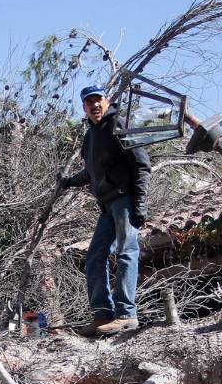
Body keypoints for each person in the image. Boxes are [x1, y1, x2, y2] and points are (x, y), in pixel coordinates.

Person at [59, 84, 152, 335]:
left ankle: (126, 314)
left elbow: (142, 165)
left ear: (107, 101)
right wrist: (69, 182)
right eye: (89, 102)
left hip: (124, 199)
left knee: (126, 251)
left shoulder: (117, 124)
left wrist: (140, 203)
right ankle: (102, 314)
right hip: (106, 206)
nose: (95, 105)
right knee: (95, 257)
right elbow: (92, 172)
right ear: (84, 107)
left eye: (98, 100)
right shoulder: (91, 136)